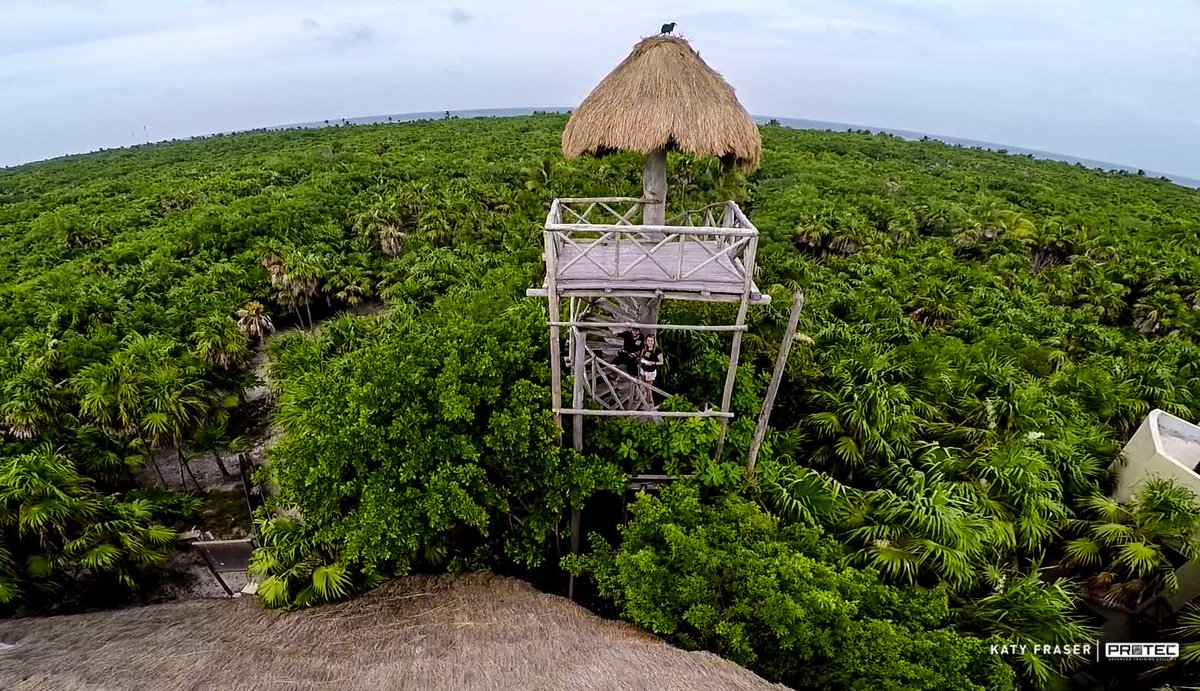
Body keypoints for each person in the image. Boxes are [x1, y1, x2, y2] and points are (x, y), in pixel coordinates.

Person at [638, 335, 664, 407]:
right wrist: (642, 360)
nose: (650, 342)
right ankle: (644, 398)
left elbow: (661, 362)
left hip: (651, 371)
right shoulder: (645, 348)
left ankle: (649, 402)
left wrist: (652, 363)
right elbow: (641, 356)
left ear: (654, 341)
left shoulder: (657, 350)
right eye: (648, 341)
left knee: (648, 387)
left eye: (651, 341)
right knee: (642, 384)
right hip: (643, 369)